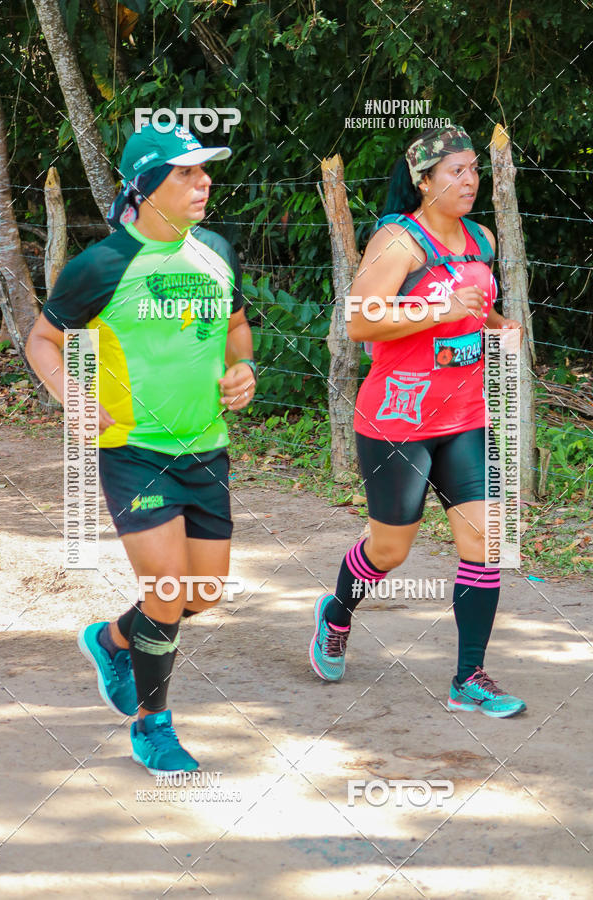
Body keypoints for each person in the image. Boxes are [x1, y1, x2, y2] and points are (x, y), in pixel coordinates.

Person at [26, 122, 257, 772]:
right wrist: (72, 395)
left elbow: (237, 328)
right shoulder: (100, 265)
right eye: (186, 173)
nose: (203, 182)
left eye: (204, 171)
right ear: (148, 185)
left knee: (201, 594)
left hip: (207, 451)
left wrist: (243, 370)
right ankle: (153, 724)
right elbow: (42, 341)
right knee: (167, 586)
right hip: (133, 452)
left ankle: (110, 638)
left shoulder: (215, 251)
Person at [310, 125, 526, 718]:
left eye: (474, 169)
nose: (469, 180)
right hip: (398, 419)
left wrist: (495, 324)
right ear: (423, 180)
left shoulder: (478, 239)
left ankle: (469, 678)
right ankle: (337, 613)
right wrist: (438, 308)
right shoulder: (398, 241)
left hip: (464, 416)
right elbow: (359, 321)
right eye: (454, 172)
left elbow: (472, 306)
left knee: (485, 542)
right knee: (389, 551)